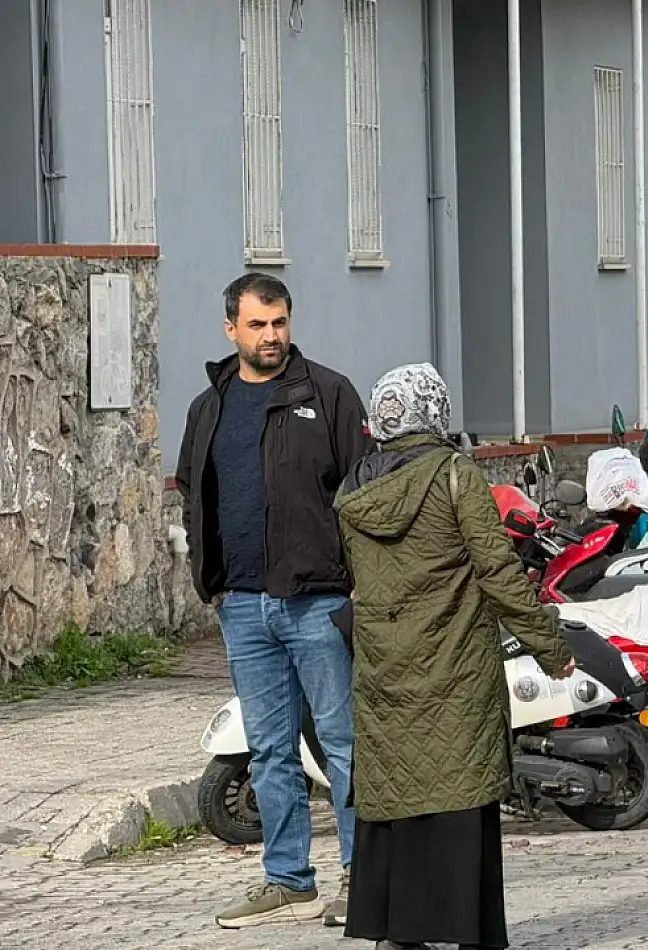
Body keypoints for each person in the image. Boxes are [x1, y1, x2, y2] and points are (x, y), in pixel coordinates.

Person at [335, 363, 574, 950]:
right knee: (459, 795)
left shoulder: (354, 489)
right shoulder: (454, 476)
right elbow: (498, 574)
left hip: (384, 668)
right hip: (454, 665)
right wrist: (551, 649)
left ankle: (397, 930)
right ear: (435, 410)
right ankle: (469, 931)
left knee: (395, 794)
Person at [174, 273, 370, 929]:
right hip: (242, 608)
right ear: (231, 328)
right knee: (270, 752)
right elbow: (193, 495)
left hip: (316, 602)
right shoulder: (209, 407)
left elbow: (365, 493)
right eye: (257, 325)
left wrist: (354, 586)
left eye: (279, 322)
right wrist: (212, 582)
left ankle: (362, 877)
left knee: (343, 743)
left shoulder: (329, 394)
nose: (271, 336)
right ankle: (288, 879)